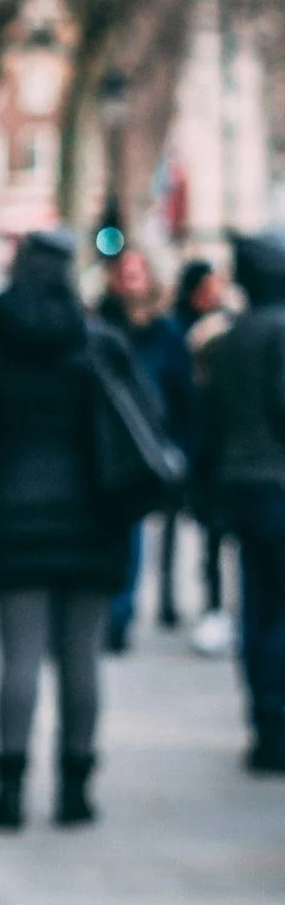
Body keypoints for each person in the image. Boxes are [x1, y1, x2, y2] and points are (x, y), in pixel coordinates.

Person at [0, 228, 163, 828]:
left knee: (17, 657)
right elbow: (148, 420)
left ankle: (10, 790)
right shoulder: (100, 343)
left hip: (12, 520)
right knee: (81, 659)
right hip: (94, 519)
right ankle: (75, 790)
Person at [191, 234, 285, 773]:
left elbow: (213, 422)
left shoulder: (229, 337)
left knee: (256, 605)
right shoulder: (277, 332)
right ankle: (275, 723)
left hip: (241, 486)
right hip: (276, 484)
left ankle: (263, 717)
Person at [97, 248, 191, 654]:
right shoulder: (99, 326)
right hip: (108, 448)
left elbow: (182, 392)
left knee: (142, 533)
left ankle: (129, 610)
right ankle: (115, 613)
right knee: (120, 532)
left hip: (152, 447)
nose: (131, 281)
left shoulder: (165, 334)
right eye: (125, 273)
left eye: (138, 273)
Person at [166, 258, 235, 654]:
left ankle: (216, 607)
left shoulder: (225, 328)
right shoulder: (182, 331)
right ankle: (193, 603)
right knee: (202, 533)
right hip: (197, 446)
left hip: (215, 448)